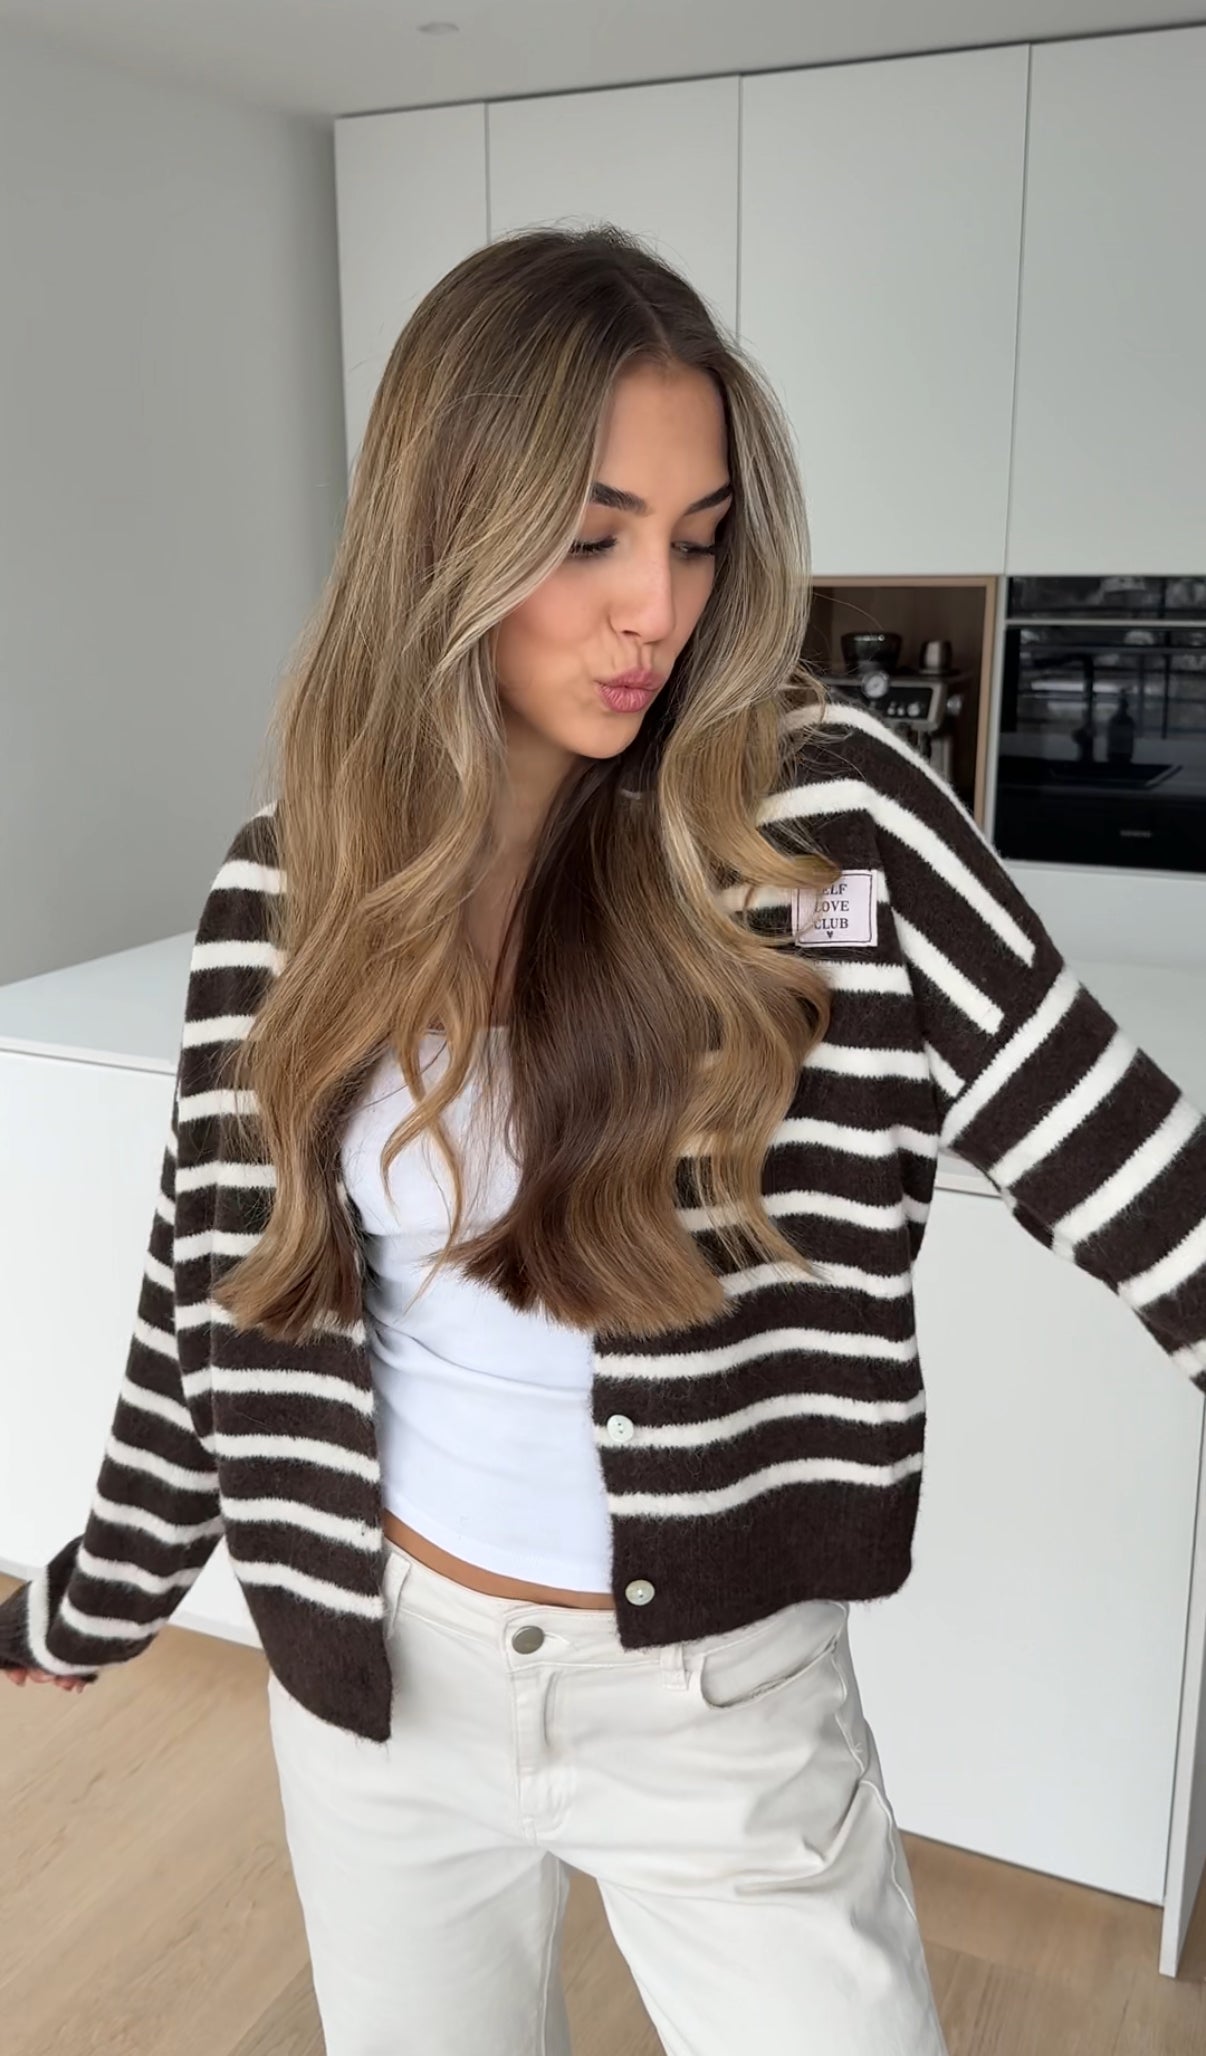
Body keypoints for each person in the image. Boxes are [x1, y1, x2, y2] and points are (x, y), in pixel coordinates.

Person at [5, 223, 1205, 2056]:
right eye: (591, 537)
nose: (659, 607)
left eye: (697, 536)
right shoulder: (285, 886)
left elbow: (1137, 1174)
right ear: (443, 531)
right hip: (376, 1684)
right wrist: (93, 1597)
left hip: (720, 1705)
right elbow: (213, 1298)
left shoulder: (823, 825)